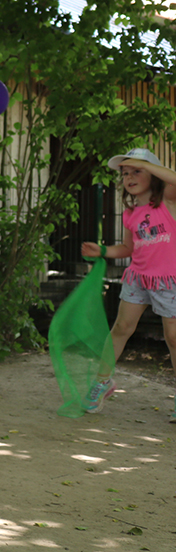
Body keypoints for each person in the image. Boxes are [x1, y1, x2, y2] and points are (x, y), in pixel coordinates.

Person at [80, 148, 176, 418]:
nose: (129, 177)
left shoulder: (169, 200)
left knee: (173, 338)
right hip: (138, 277)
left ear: (154, 175)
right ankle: (102, 382)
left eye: (137, 171)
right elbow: (127, 248)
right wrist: (102, 251)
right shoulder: (131, 211)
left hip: (169, 281)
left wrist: (147, 164)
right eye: (125, 173)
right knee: (121, 328)